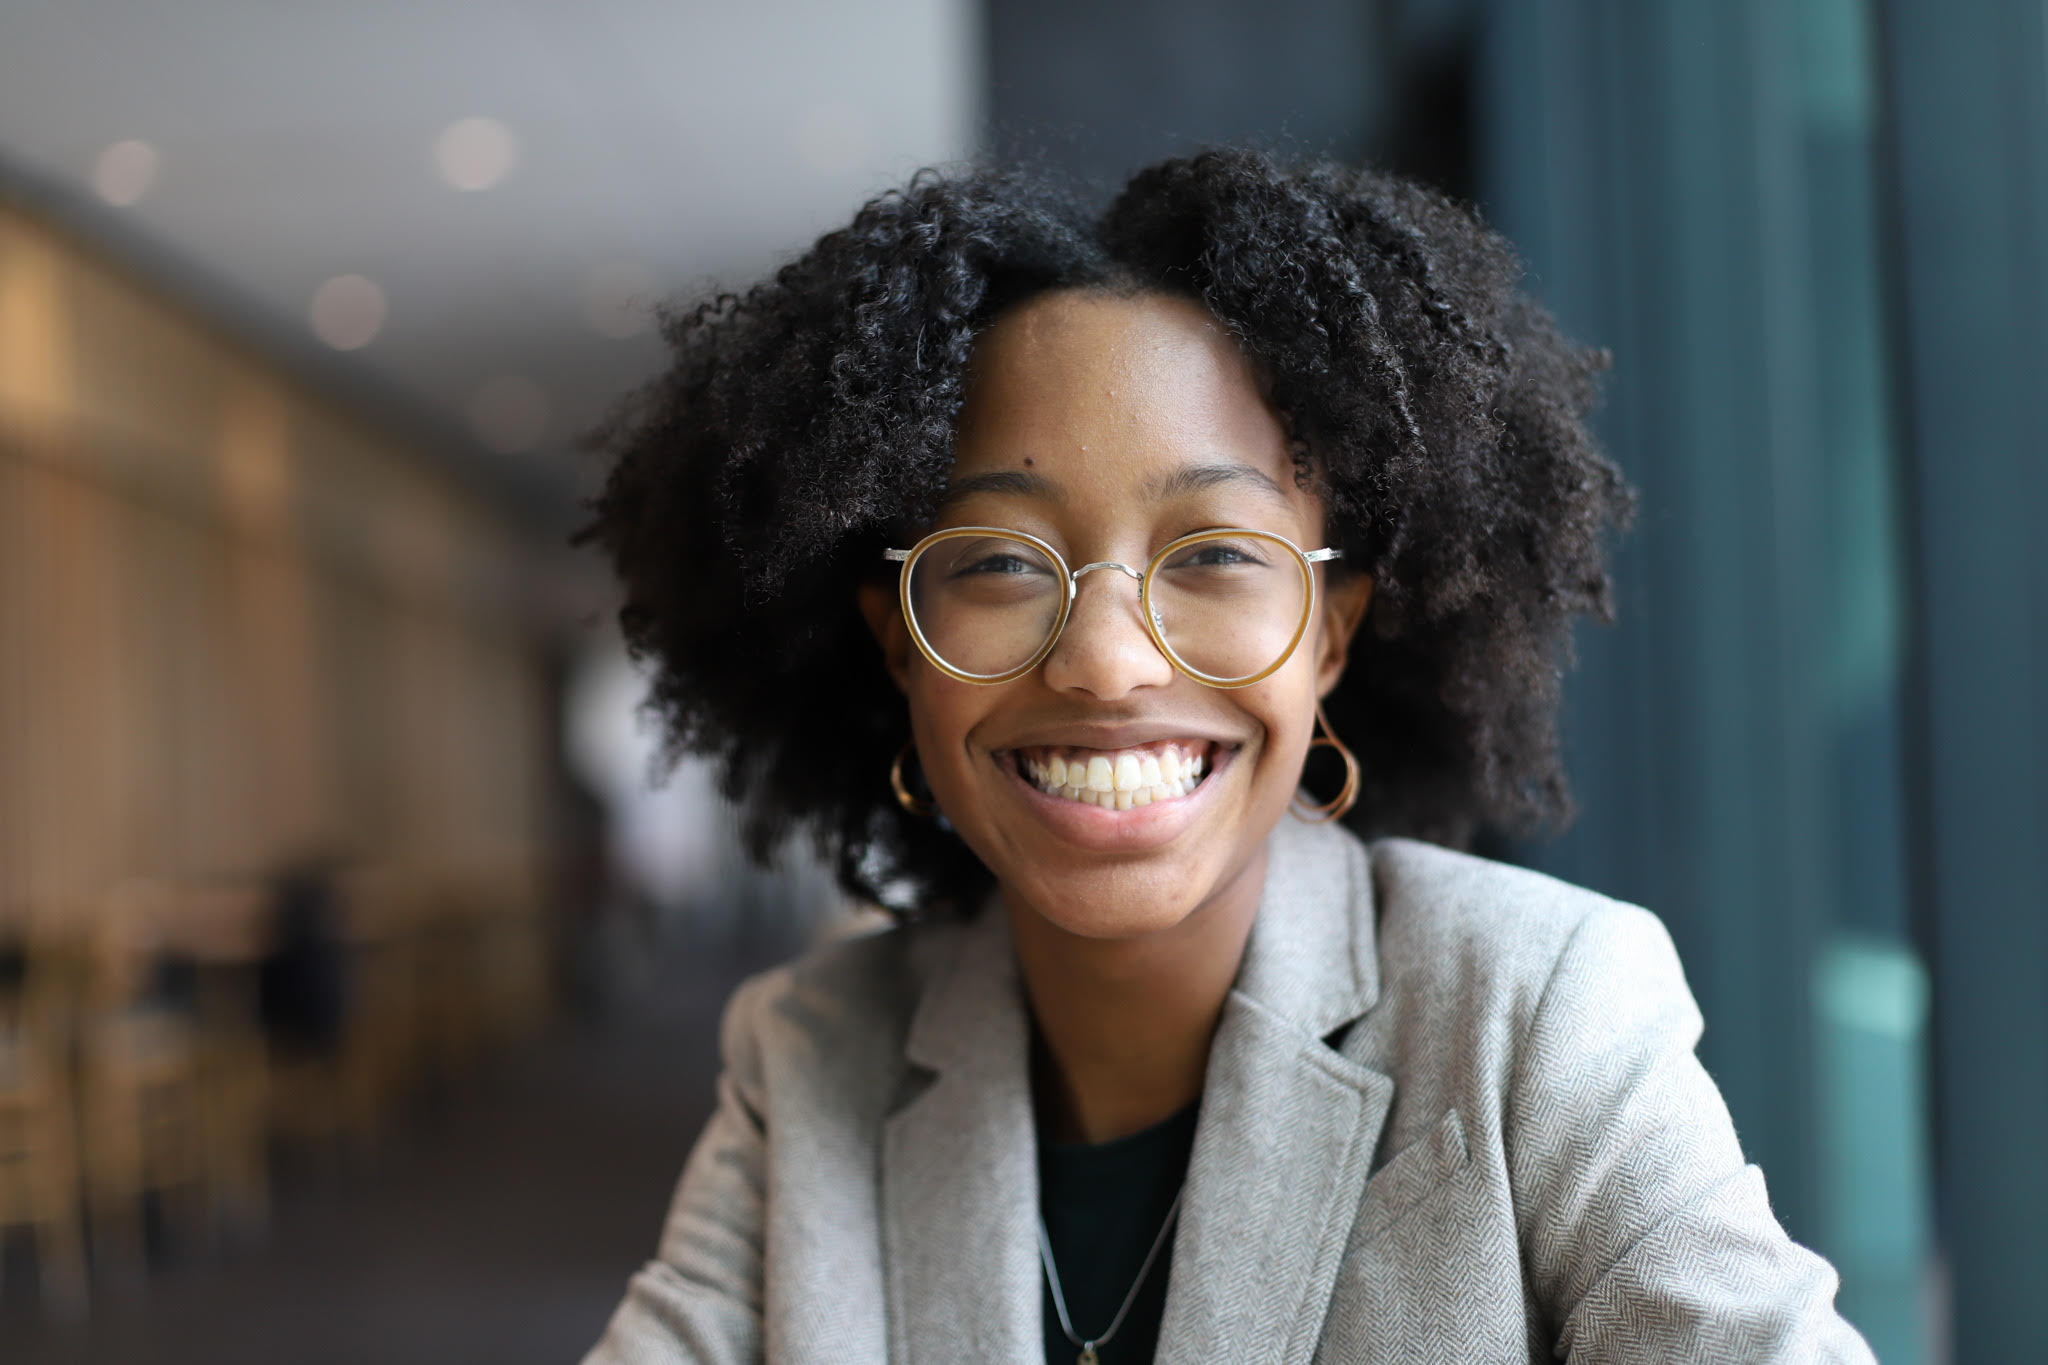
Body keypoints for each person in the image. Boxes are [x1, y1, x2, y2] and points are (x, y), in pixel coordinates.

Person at [577, 149, 1875, 1364]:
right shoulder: (808, 1057)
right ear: (899, 646)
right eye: (996, 561)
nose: (1106, 659)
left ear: (1331, 631)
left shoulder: (1533, 1011)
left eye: (1212, 554)